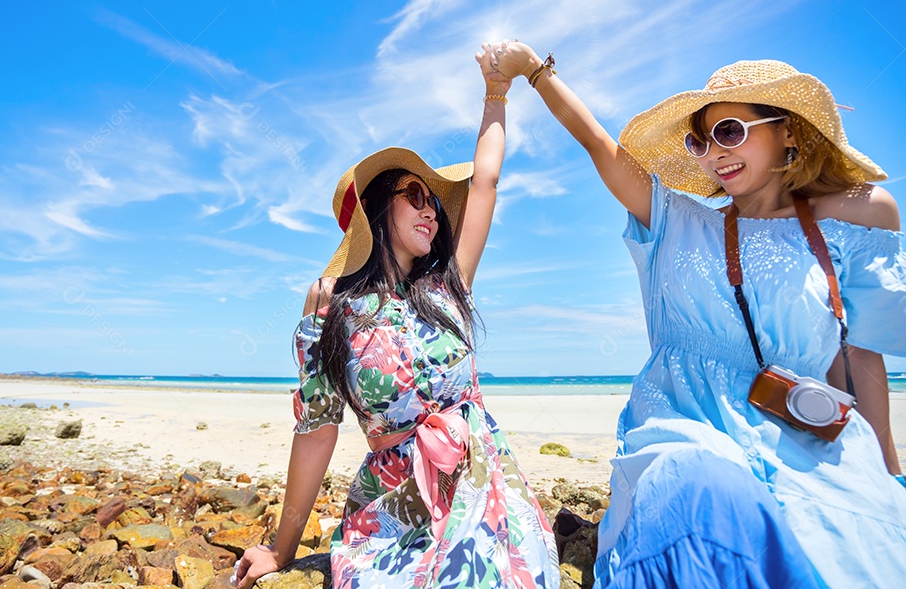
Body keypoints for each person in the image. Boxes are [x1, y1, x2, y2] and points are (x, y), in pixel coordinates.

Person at [483, 41, 906, 588]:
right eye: (699, 140)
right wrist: (535, 72)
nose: (713, 153)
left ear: (789, 130)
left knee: (851, 548)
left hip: (808, 440)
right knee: (700, 503)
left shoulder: (852, 222)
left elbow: (857, 356)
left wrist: (886, 469)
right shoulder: (682, 223)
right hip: (687, 424)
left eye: (729, 131)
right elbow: (598, 144)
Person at [234, 50, 562, 589]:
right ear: (376, 210)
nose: (432, 208)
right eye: (415, 195)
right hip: (394, 500)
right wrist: (281, 549)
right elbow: (317, 429)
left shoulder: (448, 285)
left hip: (482, 482)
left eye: (435, 199)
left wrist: (496, 93)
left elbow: (485, 182)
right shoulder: (329, 305)